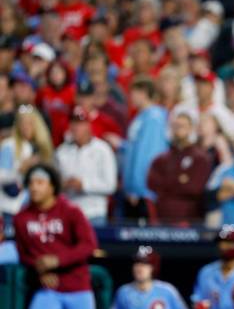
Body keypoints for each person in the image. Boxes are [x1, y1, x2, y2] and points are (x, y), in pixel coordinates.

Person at [14, 163, 100, 309]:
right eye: (31, 183)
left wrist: (58, 260)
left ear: (52, 187)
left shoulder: (71, 211)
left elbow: (89, 245)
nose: (34, 188)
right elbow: (23, 254)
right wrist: (39, 268)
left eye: (40, 183)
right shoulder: (22, 218)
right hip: (48, 289)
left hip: (77, 288)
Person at [55, 107, 117, 225]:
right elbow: (55, 183)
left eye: (80, 123)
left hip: (94, 212)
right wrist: (63, 184)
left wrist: (84, 184)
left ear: (88, 125)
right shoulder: (61, 151)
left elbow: (110, 185)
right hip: (69, 212)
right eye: (73, 123)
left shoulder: (102, 150)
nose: (76, 128)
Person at [147, 112, 212, 223]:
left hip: (189, 220)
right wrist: (180, 180)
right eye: (175, 126)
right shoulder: (161, 158)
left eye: (182, 126)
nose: (178, 129)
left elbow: (195, 188)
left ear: (191, 128)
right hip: (161, 217)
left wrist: (167, 182)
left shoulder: (200, 158)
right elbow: (151, 183)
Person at [122, 77, 168, 220]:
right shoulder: (140, 117)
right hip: (133, 190)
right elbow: (134, 150)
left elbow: (148, 155)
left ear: (144, 93)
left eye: (134, 93)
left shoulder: (154, 117)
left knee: (145, 239)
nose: (131, 97)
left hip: (144, 192)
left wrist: (138, 190)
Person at [0, 105, 54, 218]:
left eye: (30, 123)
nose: (26, 127)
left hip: (38, 206)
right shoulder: (9, 145)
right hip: (12, 207)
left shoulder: (43, 148)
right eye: (22, 123)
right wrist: (20, 169)